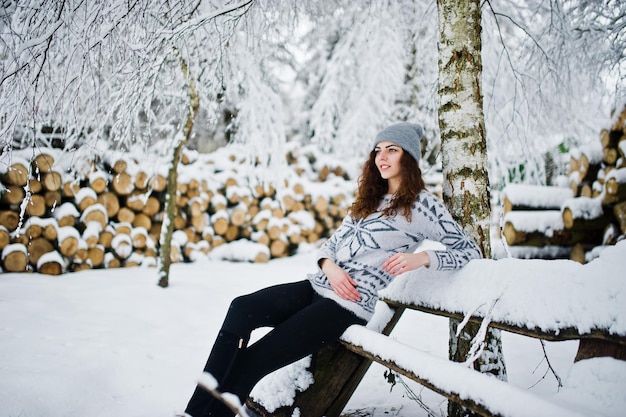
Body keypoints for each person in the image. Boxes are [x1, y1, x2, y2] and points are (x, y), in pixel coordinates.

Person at [183, 122, 482, 417]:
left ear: (410, 158)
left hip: (347, 306)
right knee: (241, 308)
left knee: (254, 360)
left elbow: (469, 250)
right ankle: (195, 412)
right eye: (378, 150)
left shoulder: (422, 206)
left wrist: (423, 258)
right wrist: (330, 267)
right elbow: (331, 245)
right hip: (318, 286)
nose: (382, 157)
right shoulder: (369, 200)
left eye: (392, 150)